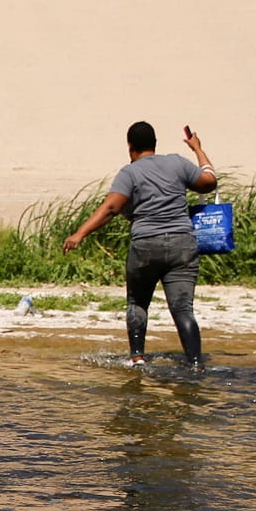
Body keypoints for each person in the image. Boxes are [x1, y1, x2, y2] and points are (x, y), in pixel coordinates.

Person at [63, 121, 219, 366]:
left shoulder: (130, 172)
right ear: (154, 144)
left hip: (146, 245)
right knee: (183, 310)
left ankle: (137, 358)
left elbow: (112, 207)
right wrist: (197, 149)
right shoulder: (178, 163)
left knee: (138, 303)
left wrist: (80, 233)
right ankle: (196, 364)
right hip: (182, 245)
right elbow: (209, 182)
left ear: (130, 146)